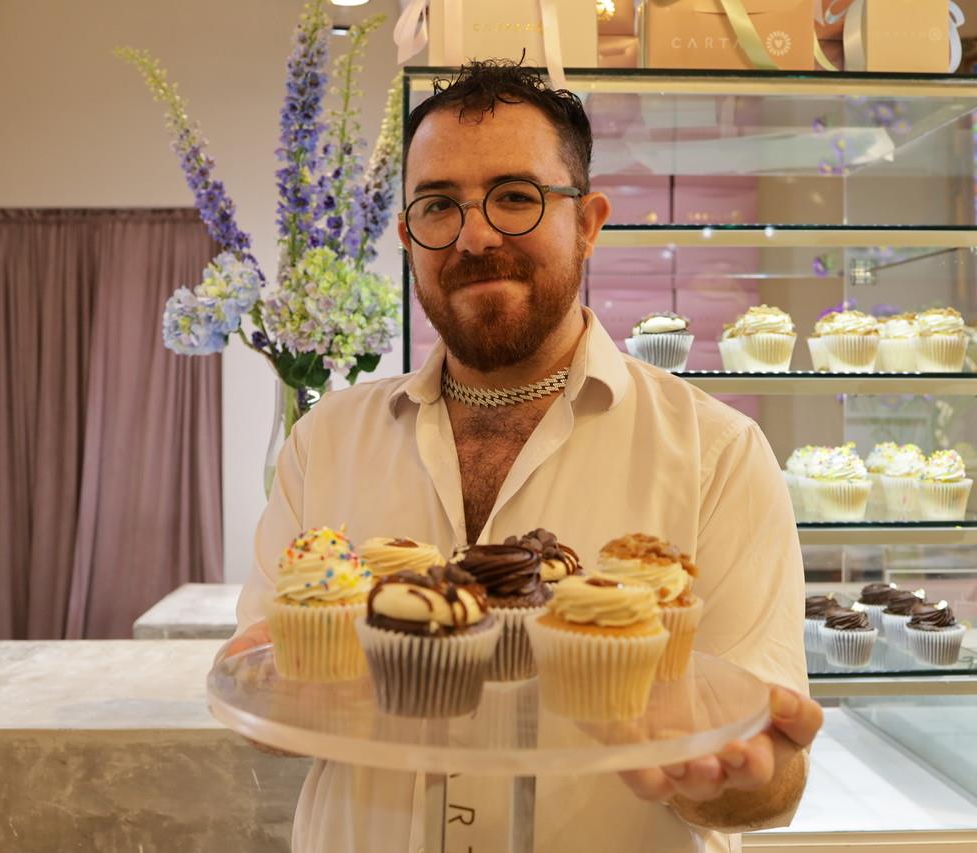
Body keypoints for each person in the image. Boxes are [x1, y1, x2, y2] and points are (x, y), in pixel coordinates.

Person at [225, 60, 821, 852]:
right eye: (439, 205)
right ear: (407, 236)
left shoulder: (719, 454)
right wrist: (266, 688)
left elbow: (770, 766)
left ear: (590, 220)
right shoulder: (325, 441)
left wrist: (747, 778)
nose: (474, 236)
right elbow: (275, 697)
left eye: (516, 196)